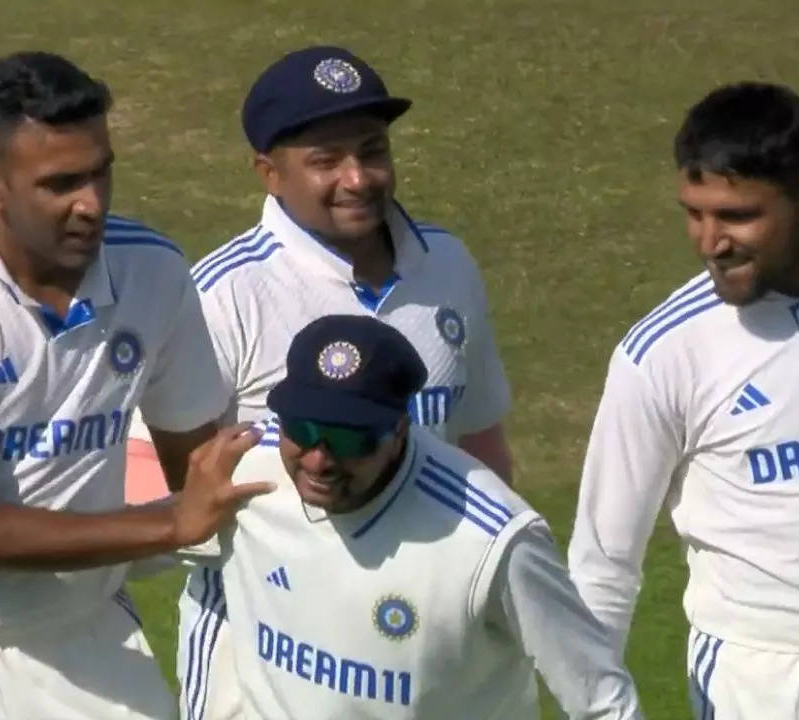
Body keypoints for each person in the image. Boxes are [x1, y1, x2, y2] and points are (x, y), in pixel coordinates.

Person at [0, 51, 270, 720]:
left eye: (101, 174)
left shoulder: (152, 270)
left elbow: (204, 465)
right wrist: (166, 524)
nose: (89, 204)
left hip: (84, 629)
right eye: (60, 184)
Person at [125, 45, 516, 720]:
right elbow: (170, 483)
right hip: (261, 648)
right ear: (269, 173)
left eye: (372, 150)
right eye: (326, 160)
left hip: (416, 631)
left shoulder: (448, 265)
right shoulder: (224, 294)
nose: (359, 177)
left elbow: (480, 444)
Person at [568, 81, 799, 719]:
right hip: (771, 682)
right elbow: (604, 563)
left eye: (737, 215)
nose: (710, 241)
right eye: (695, 212)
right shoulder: (664, 352)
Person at [179, 314, 642, 719]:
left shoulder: (492, 541)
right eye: (302, 429)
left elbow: (601, 699)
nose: (319, 460)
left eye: (348, 440)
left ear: (399, 429)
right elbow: (149, 552)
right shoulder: (240, 470)